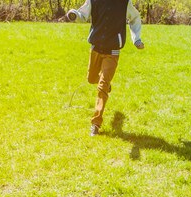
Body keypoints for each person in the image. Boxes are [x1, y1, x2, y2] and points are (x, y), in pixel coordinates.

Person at [62, 0, 145, 136]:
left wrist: (136, 39)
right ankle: (105, 84)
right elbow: (82, 14)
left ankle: (96, 123)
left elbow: (134, 17)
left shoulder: (124, 2)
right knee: (91, 79)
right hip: (96, 47)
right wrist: (74, 15)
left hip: (112, 50)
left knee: (102, 87)